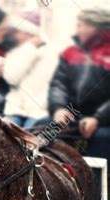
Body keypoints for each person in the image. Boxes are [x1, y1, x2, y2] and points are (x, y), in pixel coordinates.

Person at [48, 7, 110, 161]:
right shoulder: (70, 53)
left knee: (102, 138)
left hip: (104, 122)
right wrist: (59, 109)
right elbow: (58, 84)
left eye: (80, 25)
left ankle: (97, 183)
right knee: (45, 128)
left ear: (95, 27)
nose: (77, 30)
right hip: (73, 117)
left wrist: (98, 119)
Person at [3, 12, 58, 128]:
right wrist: (29, 48)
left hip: (39, 112)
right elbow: (11, 78)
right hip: (15, 110)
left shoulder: (51, 53)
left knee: (29, 140)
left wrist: (29, 48)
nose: (14, 36)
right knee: (5, 137)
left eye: (17, 32)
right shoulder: (17, 51)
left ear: (28, 33)